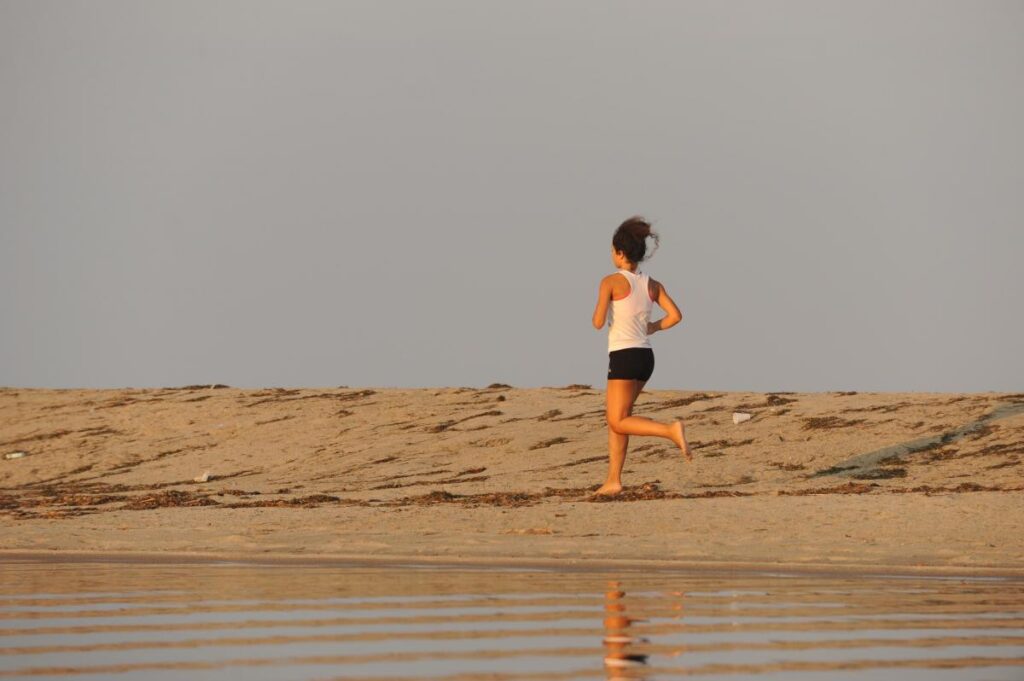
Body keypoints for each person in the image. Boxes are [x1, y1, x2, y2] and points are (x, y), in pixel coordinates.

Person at [590, 216, 691, 496]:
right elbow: (675, 316)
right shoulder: (652, 284)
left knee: (617, 420)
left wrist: (603, 309)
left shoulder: (610, 281)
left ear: (620, 252)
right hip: (645, 357)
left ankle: (670, 431)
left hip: (623, 355)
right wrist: (653, 327)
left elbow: (598, 322)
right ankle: (613, 480)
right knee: (620, 417)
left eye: (612, 250)